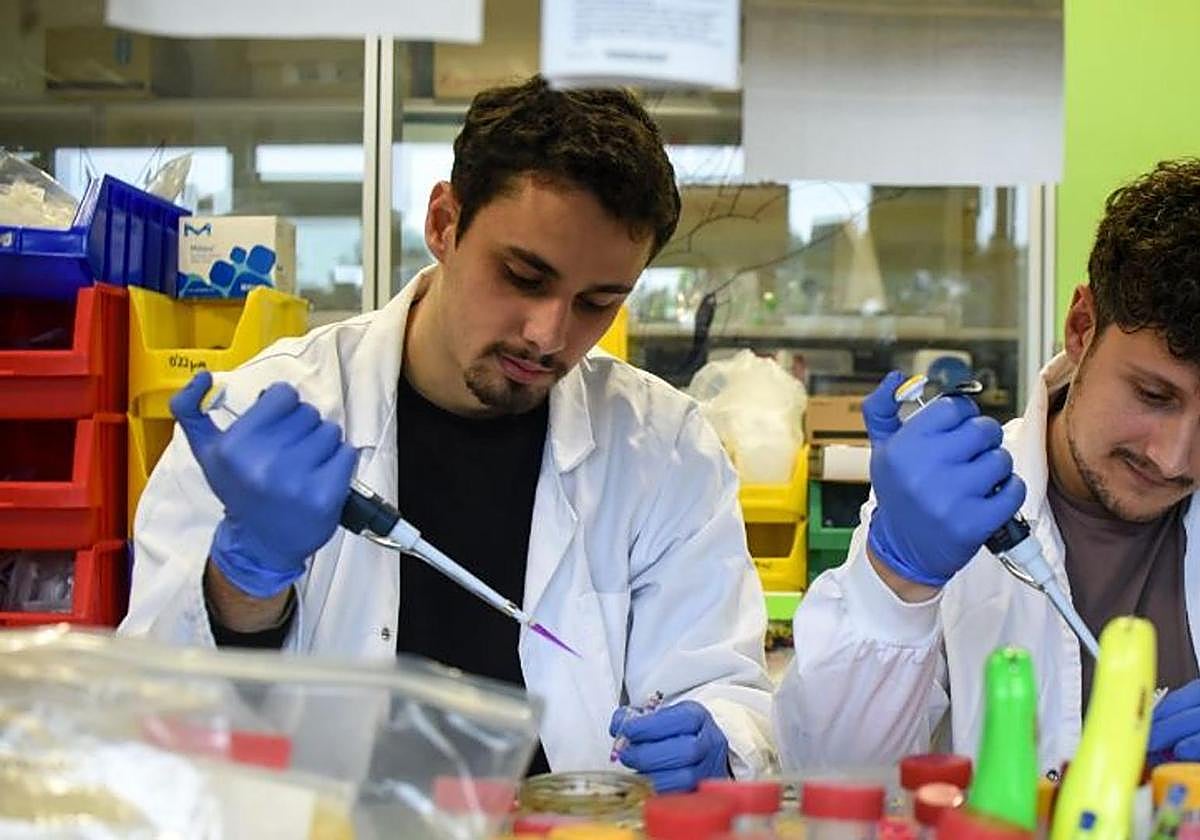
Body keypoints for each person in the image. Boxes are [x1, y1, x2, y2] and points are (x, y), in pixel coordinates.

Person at [120, 75, 775, 791]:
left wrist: (719, 735)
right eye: (524, 276)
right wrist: (241, 586)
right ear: (443, 223)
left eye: (596, 303)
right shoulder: (265, 416)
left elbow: (722, 686)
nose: (548, 335)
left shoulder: (664, 447)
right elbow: (150, 727)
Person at [774, 158, 1200, 776]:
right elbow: (828, 771)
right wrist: (897, 585)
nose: (1173, 457)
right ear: (1082, 329)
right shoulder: (955, 504)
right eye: (1152, 396)